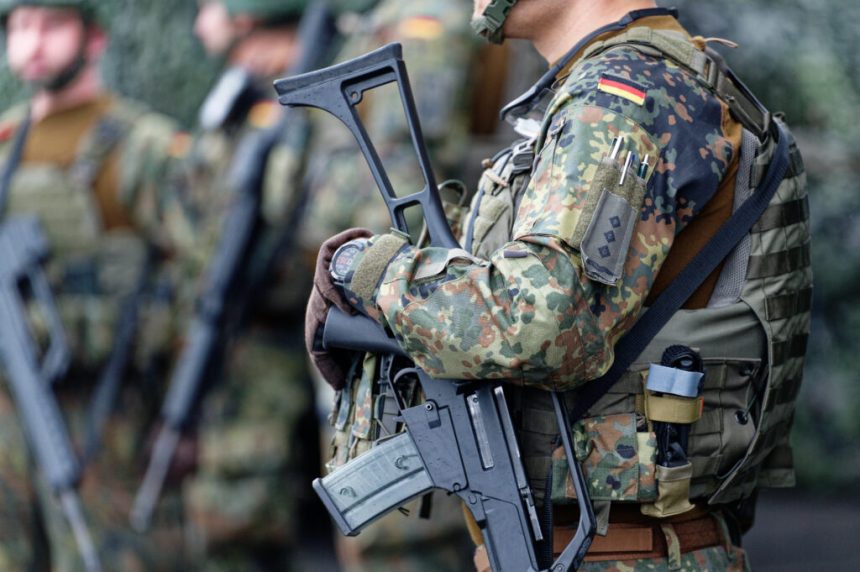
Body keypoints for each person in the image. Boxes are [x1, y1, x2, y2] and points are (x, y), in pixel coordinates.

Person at [306, 0, 810, 570]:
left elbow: (542, 322)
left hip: (614, 549)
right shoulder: (639, 81)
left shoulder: (623, 96)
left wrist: (370, 273)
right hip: (599, 546)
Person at [0, 0, 193, 569]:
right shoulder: (5, 142)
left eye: (52, 24)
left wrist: (184, 416)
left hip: (109, 413)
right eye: (20, 26)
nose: (33, 42)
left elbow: (198, 275)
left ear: (95, 38)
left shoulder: (143, 144)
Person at [299, 0, 490, 570]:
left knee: (404, 533)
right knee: (368, 511)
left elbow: (422, 155)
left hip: (409, 296)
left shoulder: (435, 25)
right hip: (362, 295)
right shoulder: (363, 25)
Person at [177, 1, 320, 569]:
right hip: (238, 334)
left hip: (284, 338)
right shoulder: (244, 98)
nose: (200, 23)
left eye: (207, 6)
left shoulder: (304, 95)